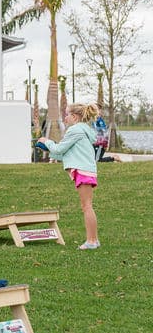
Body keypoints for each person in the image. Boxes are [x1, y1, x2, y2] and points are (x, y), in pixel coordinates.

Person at [38, 102, 101, 250]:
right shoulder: (84, 130)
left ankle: (92, 241)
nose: (65, 118)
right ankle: (94, 240)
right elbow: (66, 153)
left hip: (83, 171)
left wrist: (47, 142)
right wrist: (49, 148)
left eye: (67, 114)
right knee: (87, 206)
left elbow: (59, 149)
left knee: (87, 206)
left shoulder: (75, 130)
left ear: (74, 117)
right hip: (87, 170)